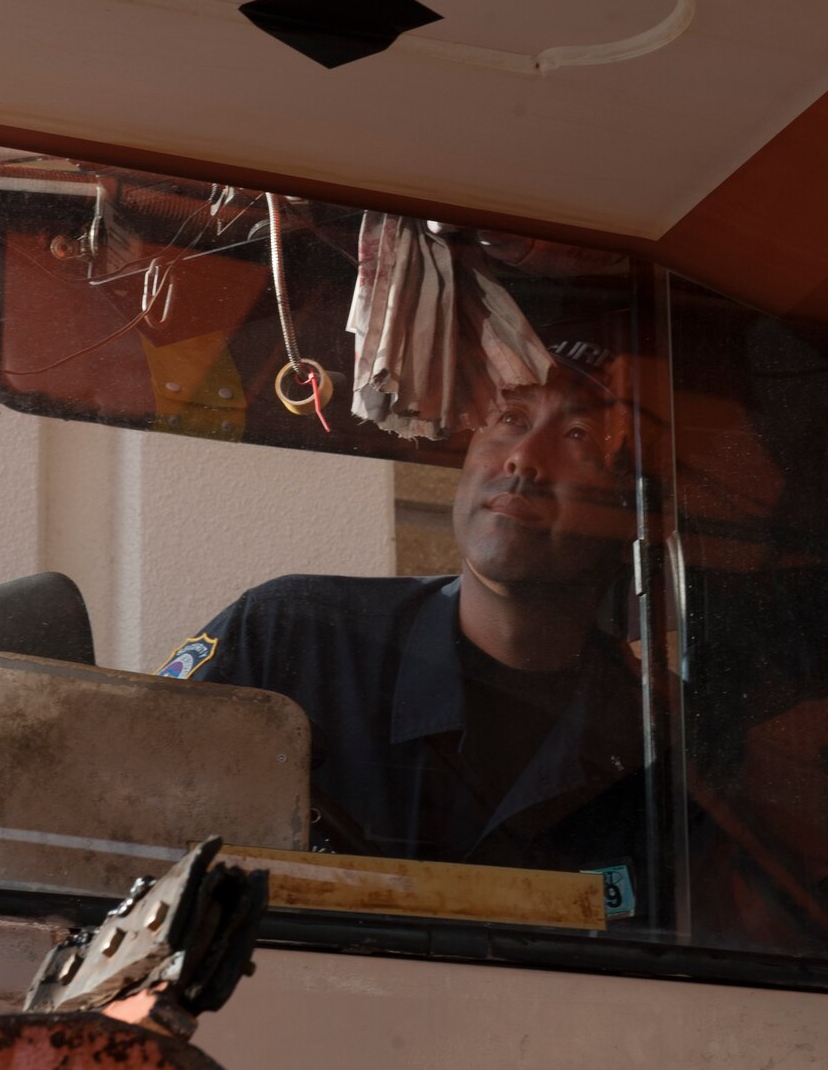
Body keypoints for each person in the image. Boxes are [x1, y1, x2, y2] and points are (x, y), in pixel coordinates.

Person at [156, 344, 647, 917]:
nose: (523, 460)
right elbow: (122, 839)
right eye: (510, 420)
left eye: (580, 435)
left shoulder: (651, 739)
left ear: (631, 512)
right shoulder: (289, 640)